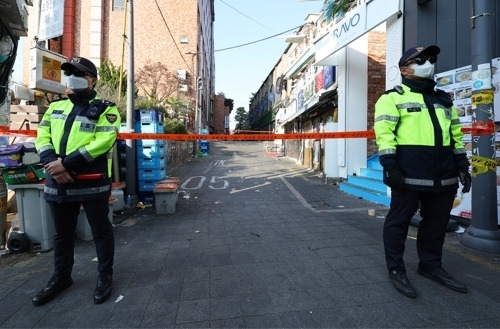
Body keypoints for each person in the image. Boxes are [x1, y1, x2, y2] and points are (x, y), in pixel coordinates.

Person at [374, 45, 471, 298]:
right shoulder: (391, 98)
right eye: (420, 60)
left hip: (444, 175)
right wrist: (390, 167)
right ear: (404, 69)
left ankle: (430, 266)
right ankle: (396, 269)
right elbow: (384, 136)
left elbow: (456, 136)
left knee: (436, 224)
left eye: (430, 59)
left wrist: (462, 166)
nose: (428, 63)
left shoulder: (443, 98)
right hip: (408, 175)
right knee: (398, 223)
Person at [33, 56, 121, 305]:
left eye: (78, 73)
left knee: (100, 231)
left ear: (91, 80)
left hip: (90, 180)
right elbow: (42, 135)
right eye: (68, 72)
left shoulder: (106, 108)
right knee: (62, 234)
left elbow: (103, 141)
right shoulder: (55, 107)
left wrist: (66, 164)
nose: (71, 77)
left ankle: (105, 275)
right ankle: (61, 276)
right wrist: (53, 163)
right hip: (57, 181)